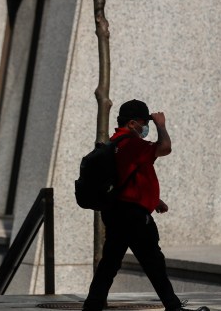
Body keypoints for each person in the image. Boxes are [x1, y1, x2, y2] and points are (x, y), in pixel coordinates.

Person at [83, 100, 208, 311]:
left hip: (117, 212)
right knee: (153, 262)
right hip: (132, 215)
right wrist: (161, 125)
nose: (146, 126)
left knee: (110, 263)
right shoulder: (131, 144)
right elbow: (165, 148)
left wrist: (153, 200)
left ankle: (92, 306)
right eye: (144, 122)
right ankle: (174, 307)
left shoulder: (115, 143)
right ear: (132, 123)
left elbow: (129, 177)